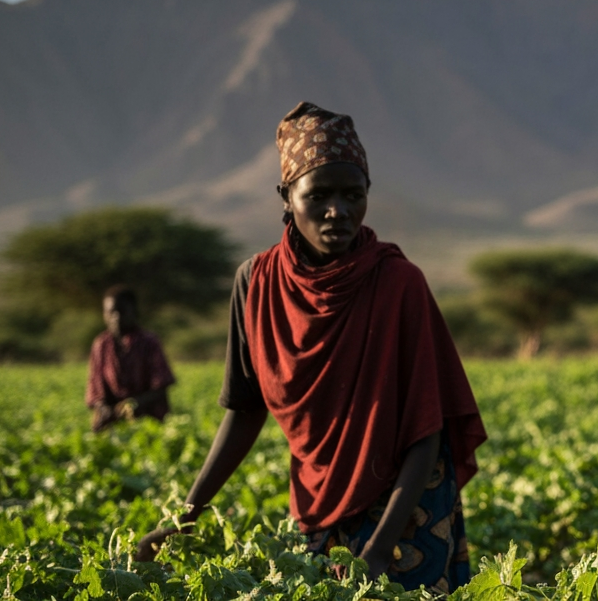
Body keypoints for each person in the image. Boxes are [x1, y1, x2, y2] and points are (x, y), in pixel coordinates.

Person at [137, 102, 488, 592]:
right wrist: (184, 517)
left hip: (409, 506)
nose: (337, 211)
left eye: (352, 194)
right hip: (317, 504)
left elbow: (426, 427)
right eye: (318, 195)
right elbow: (244, 409)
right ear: (286, 196)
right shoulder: (255, 284)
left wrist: (383, 544)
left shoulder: (399, 283)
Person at [85, 285, 176, 432]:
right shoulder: (101, 345)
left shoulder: (149, 342)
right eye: (111, 312)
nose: (116, 317)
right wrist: (103, 408)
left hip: (148, 419)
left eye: (121, 311)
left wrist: (134, 403)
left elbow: (161, 387)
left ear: (134, 311)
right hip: (112, 422)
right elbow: (95, 388)